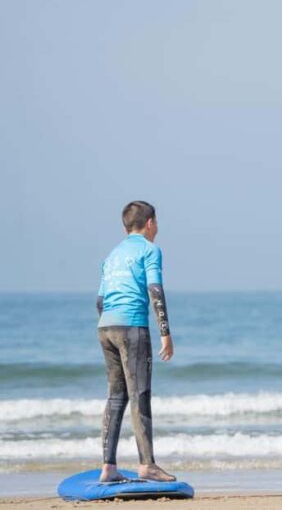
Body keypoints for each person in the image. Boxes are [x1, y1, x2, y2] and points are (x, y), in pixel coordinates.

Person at [95, 201, 176, 483]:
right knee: (139, 394)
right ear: (150, 223)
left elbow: (100, 300)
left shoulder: (112, 255)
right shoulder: (150, 250)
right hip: (132, 327)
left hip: (105, 327)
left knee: (115, 396)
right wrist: (165, 332)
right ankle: (147, 465)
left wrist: (111, 326)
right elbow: (155, 289)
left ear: (125, 227)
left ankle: (108, 467)